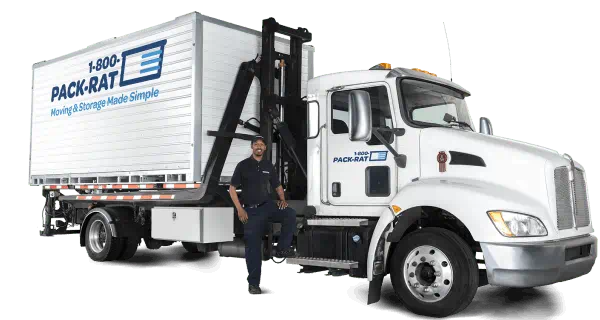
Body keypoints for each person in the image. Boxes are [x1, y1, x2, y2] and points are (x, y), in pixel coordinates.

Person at [228, 135, 298, 296]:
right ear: (252, 147)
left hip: (268, 206)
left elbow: (277, 185)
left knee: (290, 214)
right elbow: (232, 189)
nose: (259, 146)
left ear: (265, 148)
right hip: (251, 211)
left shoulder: (268, 165)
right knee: (253, 249)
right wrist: (240, 209)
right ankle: (254, 285)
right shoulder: (243, 165)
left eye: (261, 144)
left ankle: (282, 249)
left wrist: (282, 200)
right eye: (256, 144)